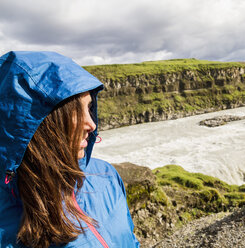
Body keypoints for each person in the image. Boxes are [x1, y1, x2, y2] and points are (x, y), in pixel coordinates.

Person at [0, 51, 140, 247]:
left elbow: (130, 240)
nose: (92, 124)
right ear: (36, 126)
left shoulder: (106, 175)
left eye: (89, 108)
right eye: (75, 112)